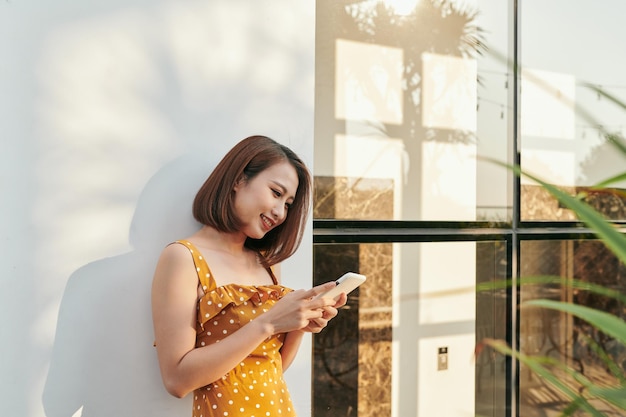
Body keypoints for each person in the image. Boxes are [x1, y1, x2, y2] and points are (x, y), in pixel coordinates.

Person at [151, 135, 347, 417]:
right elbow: (177, 380)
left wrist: (300, 324)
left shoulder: (266, 263)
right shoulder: (183, 258)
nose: (281, 213)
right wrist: (268, 323)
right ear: (238, 180)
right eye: (276, 193)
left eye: (289, 204)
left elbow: (272, 366)